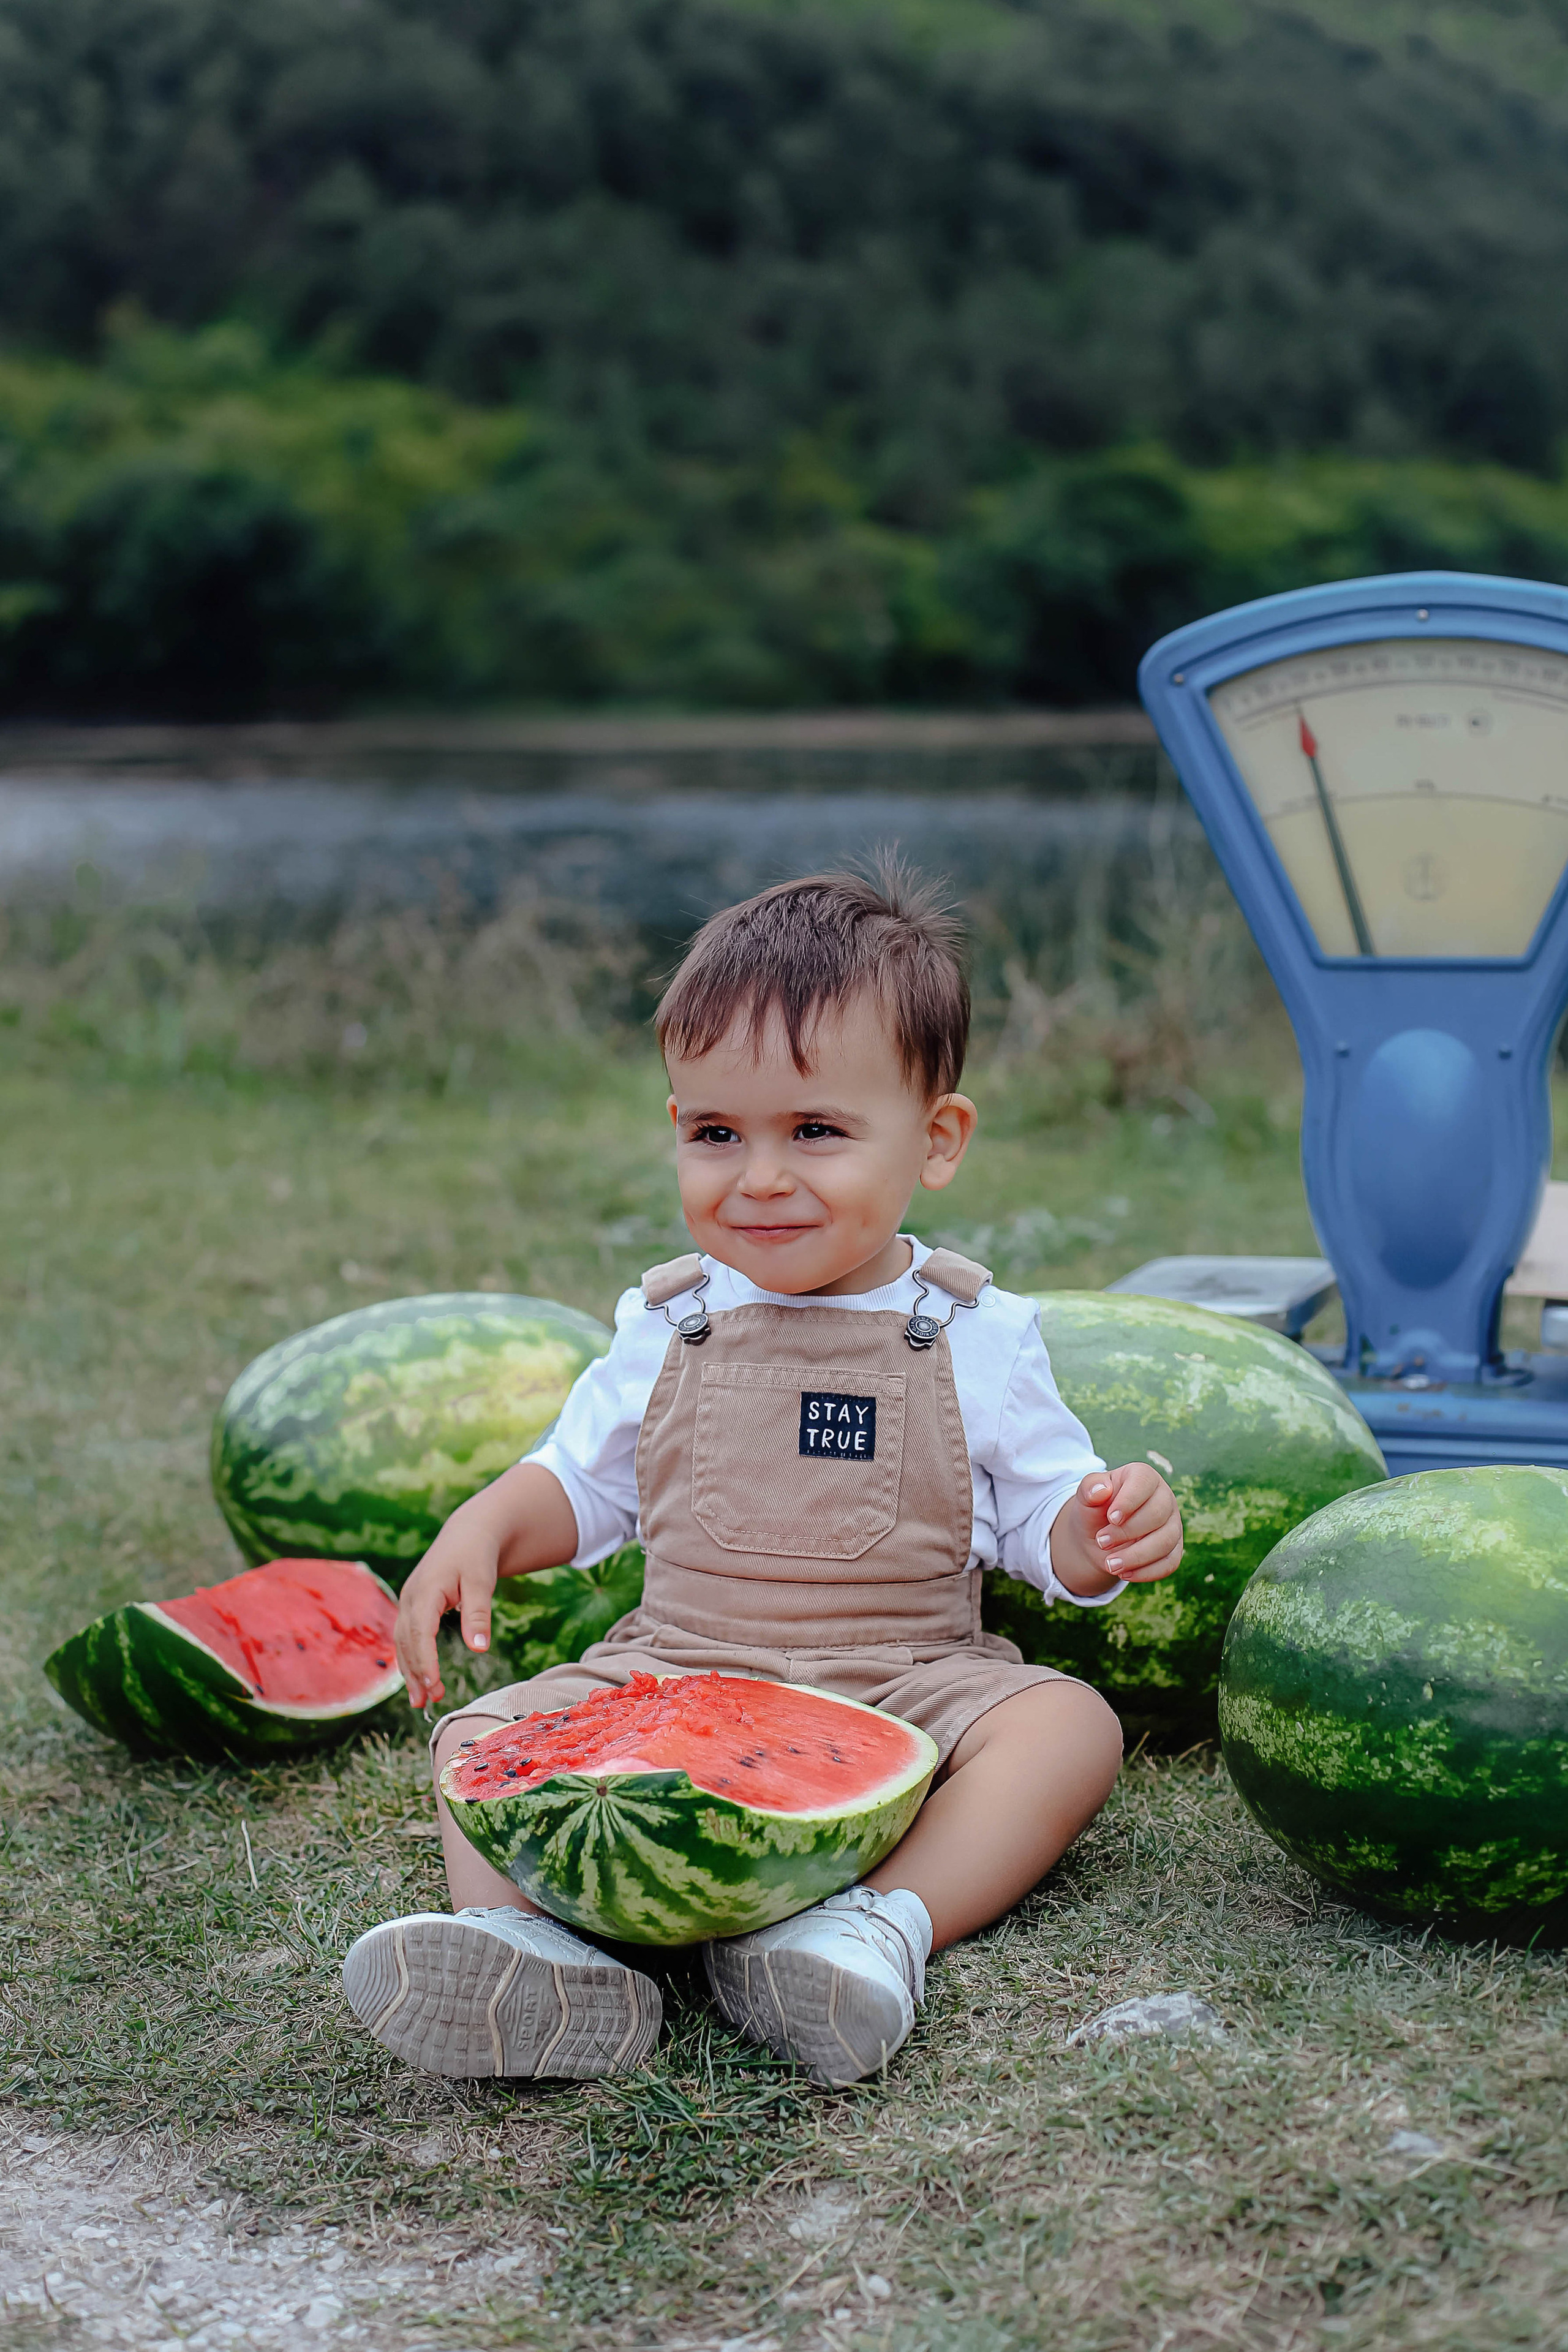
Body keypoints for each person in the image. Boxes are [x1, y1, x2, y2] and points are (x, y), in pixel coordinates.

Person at [342, 867, 1183, 2086]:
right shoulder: (671, 1320)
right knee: (482, 1732)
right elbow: (582, 1486)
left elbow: (1035, 1520)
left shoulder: (968, 1332)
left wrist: (1097, 1534)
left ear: (935, 1140)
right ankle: (526, 1949)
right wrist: (485, 1525)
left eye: (816, 1132)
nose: (759, 1178)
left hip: (905, 1682)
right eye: (714, 1134)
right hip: (674, 1669)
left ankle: (875, 1926)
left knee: (1067, 1727)